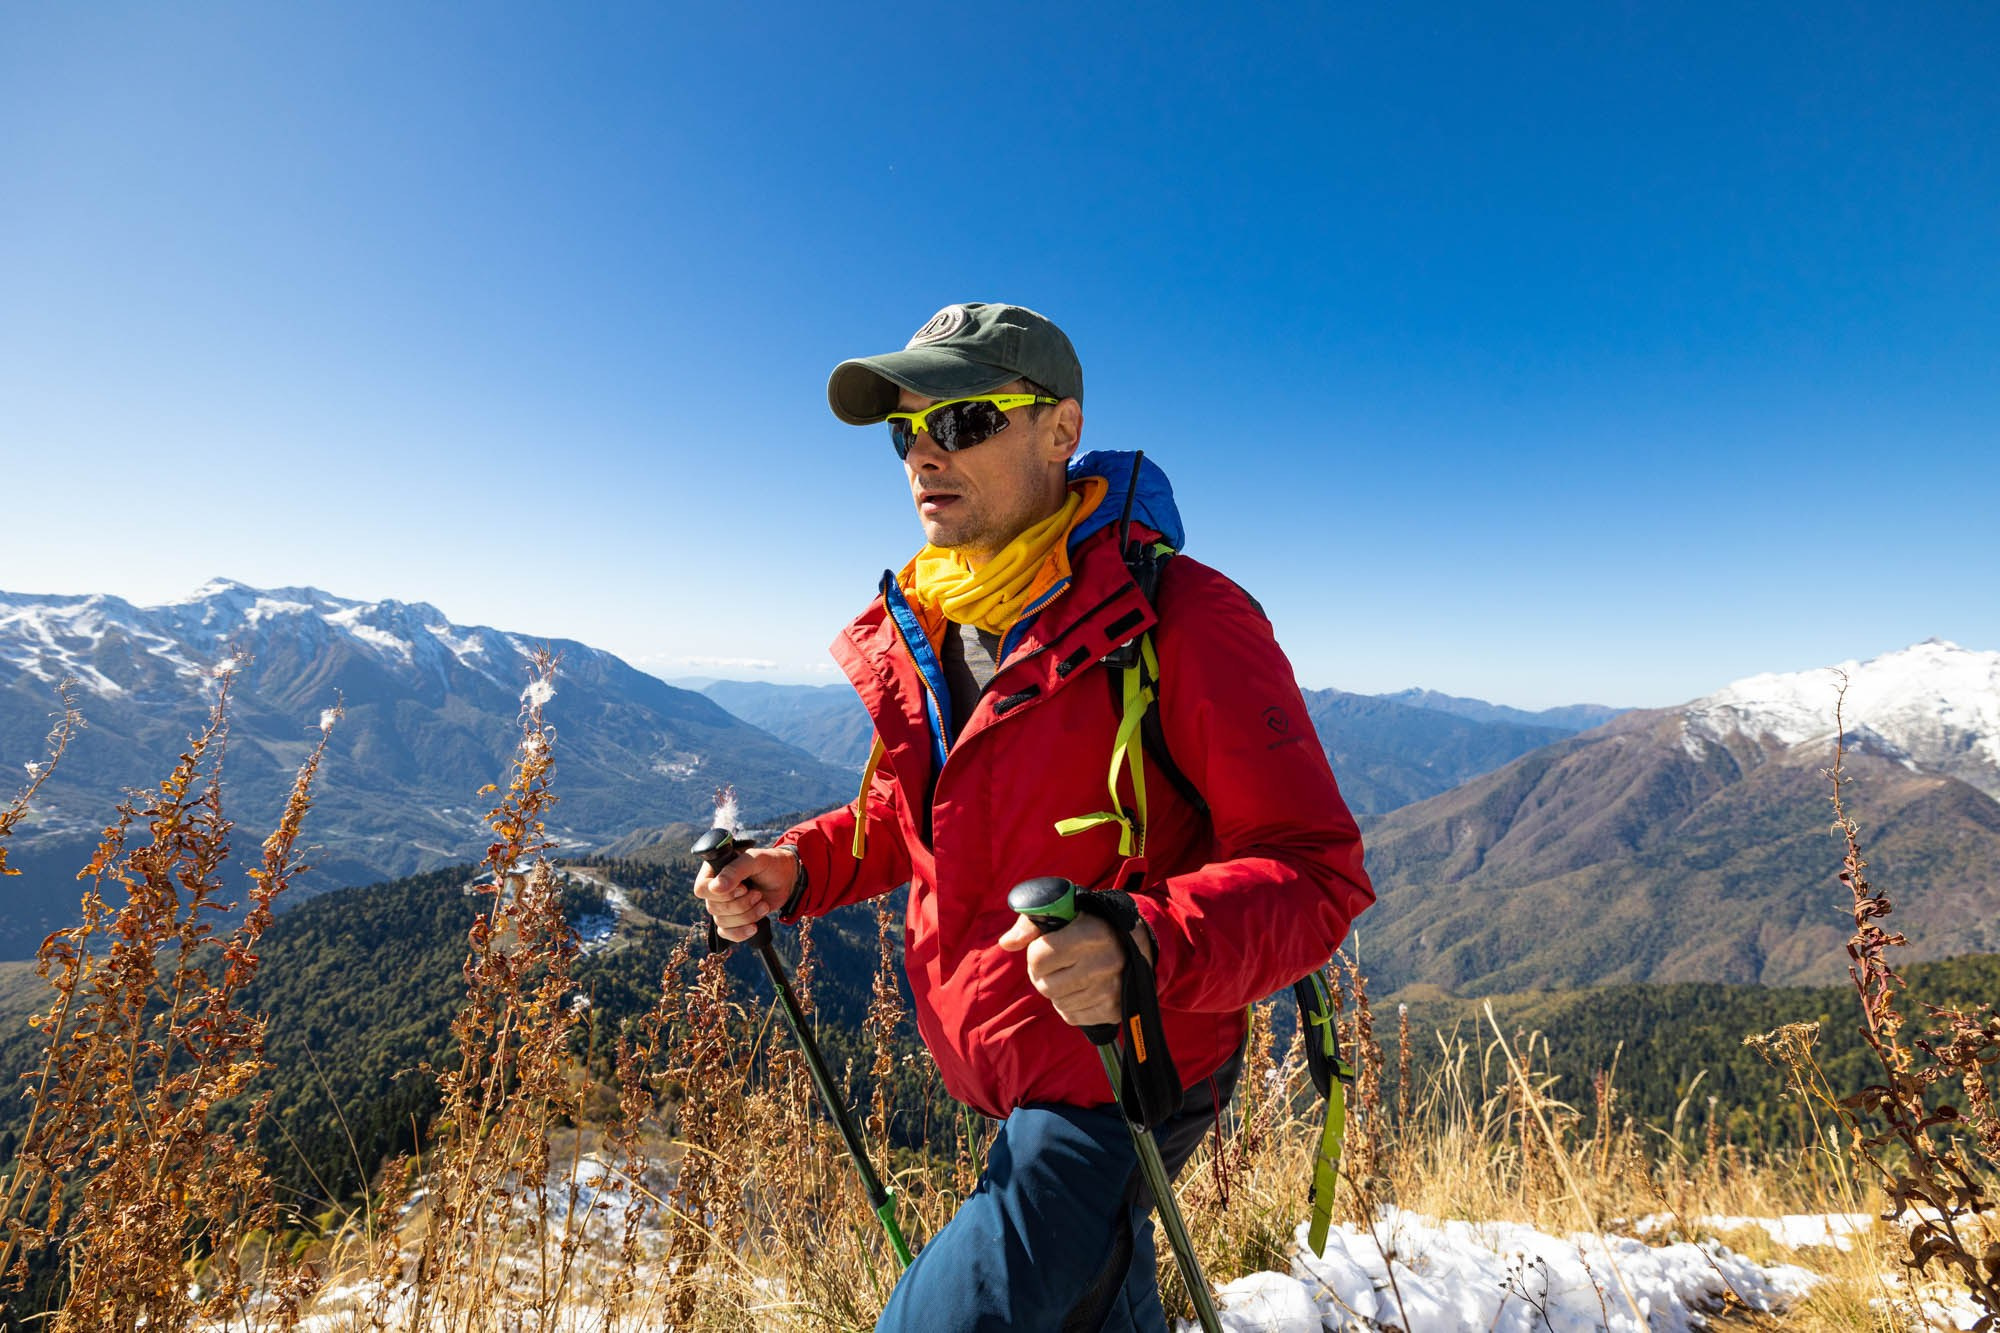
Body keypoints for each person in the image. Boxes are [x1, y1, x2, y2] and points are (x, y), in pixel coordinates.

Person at [695, 302, 1372, 1332]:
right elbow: (913, 816)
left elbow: (1316, 871)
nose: (923, 453)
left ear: (1059, 432)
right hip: (1011, 1062)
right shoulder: (939, 625)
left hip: (1125, 1064)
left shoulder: (1183, 617)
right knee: (1093, 1302)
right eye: (904, 432)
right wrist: (796, 867)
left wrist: (1141, 941)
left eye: (960, 421)